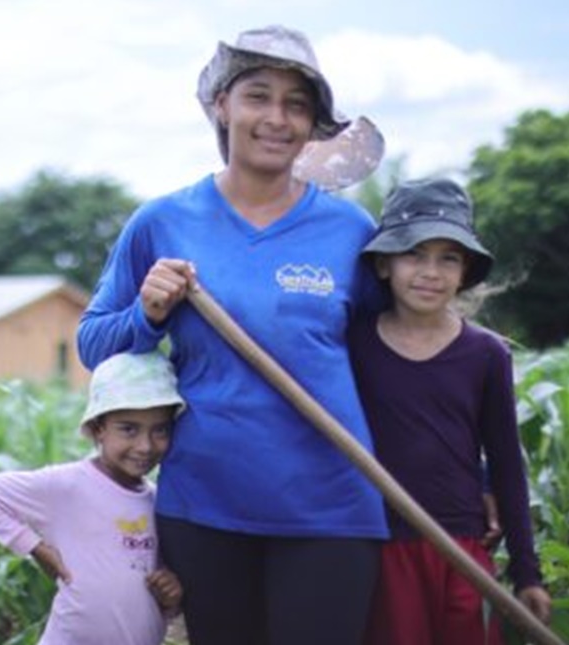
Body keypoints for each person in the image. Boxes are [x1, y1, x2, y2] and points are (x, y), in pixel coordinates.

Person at [78, 25, 389, 645]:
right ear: (222, 105)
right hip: (207, 508)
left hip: (332, 508)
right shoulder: (162, 222)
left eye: (296, 104)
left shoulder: (350, 230)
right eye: (258, 96)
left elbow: (394, 366)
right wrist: (147, 314)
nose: (277, 118)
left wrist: (470, 476)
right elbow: (93, 346)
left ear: (311, 125)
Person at [347, 177, 552, 644]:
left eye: (448, 258)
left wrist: (527, 573)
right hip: (383, 544)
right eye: (414, 254)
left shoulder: (485, 354)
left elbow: (505, 463)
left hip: (462, 546)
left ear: (465, 271)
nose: (431, 271)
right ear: (383, 264)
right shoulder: (355, 343)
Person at [0, 351, 186, 645]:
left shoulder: (159, 502)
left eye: (160, 431)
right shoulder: (68, 485)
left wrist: (171, 596)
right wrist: (36, 548)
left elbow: (155, 591)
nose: (144, 446)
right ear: (98, 430)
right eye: (129, 429)